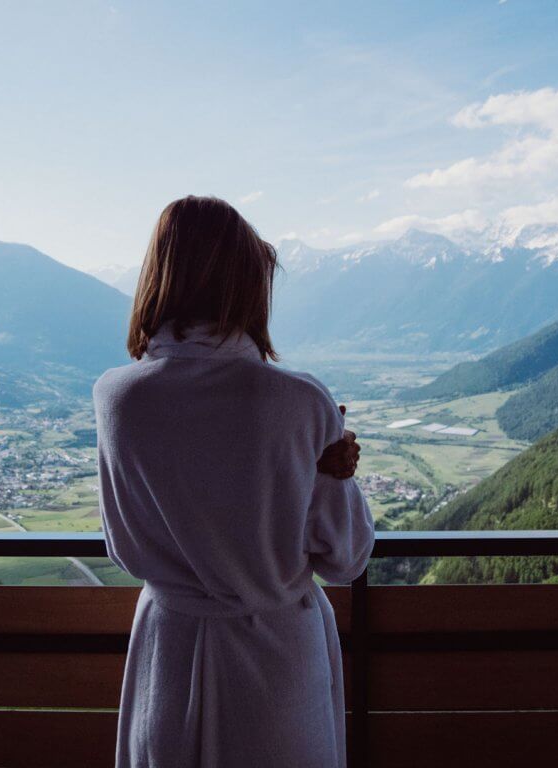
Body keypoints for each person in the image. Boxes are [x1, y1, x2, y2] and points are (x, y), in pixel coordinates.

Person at [93, 195, 375, 768]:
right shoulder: (298, 402)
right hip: (276, 670)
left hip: (164, 658)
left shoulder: (116, 398)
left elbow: (122, 549)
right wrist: (335, 475)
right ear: (247, 283)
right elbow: (347, 558)